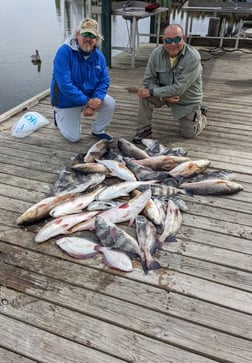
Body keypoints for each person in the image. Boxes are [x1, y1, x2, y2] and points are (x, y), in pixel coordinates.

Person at [132, 23, 207, 144]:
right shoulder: (156, 53)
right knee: (144, 95)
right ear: (163, 41)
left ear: (184, 38)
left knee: (189, 134)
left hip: (186, 100)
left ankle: (201, 116)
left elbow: (179, 88)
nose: (173, 44)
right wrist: (162, 95)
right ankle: (144, 130)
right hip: (163, 94)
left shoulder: (193, 58)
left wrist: (153, 91)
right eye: (168, 40)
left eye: (177, 39)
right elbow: (148, 80)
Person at [50, 18, 115, 142]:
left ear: (97, 39)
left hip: (88, 97)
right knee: (73, 138)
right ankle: (58, 116)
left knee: (109, 103)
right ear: (77, 34)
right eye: (85, 34)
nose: (88, 39)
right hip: (66, 101)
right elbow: (65, 85)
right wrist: (87, 102)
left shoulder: (99, 56)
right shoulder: (63, 53)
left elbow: (104, 81)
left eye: (92, 35)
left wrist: (96, 99)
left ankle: (98, 130)